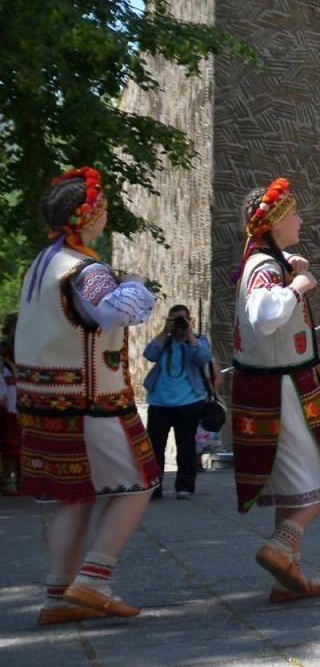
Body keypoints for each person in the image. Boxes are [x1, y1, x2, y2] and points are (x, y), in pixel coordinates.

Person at [17, 167, 158, 624]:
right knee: (138, 485)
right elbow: (116, 311)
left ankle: (59, 597)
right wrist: (134, 282)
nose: (106, 216)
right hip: (91, 400)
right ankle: (94, 580)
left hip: (44, 400)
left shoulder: (41, 264)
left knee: (73, 496)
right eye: (103, 209)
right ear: (89, 215)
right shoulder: (85, 268)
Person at [231, 177, 320, 602]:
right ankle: (282, 545)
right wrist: (297, 286)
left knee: (290, 483)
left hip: (274, 383)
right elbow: (265, 315)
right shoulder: (265, 267)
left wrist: (289, 267)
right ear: (276, 221)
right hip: (283, 387)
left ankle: (289, 576)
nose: (301, 219)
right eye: (295, 213)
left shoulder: (265, 261)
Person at [142, 303, 213, 500]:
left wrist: (189, 335)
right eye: (175, 320)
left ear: (190, 320)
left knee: (186, 446)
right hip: (159, 402)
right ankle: (154, 486)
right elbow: (149, 354)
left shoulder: (198, 340)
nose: (179, 324)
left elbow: (203, 357)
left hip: (189, 402)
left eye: (182, 319)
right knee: (155, 446)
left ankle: (185, 487)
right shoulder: (165, 341)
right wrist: (165, 331)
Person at [1, 312, 20, 496]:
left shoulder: (31, 351)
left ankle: (23, 480)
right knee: (11, 444)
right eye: (14, 329)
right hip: (8, 408)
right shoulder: (3, 357)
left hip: (28, 407)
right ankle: (10, 479)